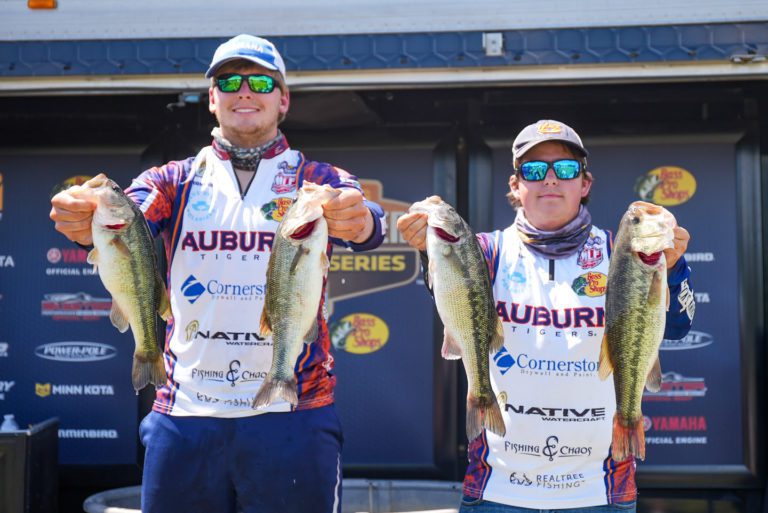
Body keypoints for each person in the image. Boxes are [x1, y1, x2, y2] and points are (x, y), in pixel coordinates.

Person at [49, 34, 385, 513]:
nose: (244, 91)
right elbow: (131, 224)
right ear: (212, 99)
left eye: (261, 81)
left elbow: (369, 223)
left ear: (283, 99)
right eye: (229, 80)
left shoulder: (317, 181)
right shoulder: (172, 179)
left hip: (293, 411)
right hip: (187, 413)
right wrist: (84, 219)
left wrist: (364, 217)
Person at [397, 119, 695, 512]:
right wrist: (429, 245)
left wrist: (672, 270)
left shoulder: (624, 252)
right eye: (534, 170)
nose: (550, 179)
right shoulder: (484, 251)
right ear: (516, 186)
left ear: (585, 184)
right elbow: (450, 294)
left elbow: (677, 326)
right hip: (499, 490)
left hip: (599, 493)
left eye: (566, 169)